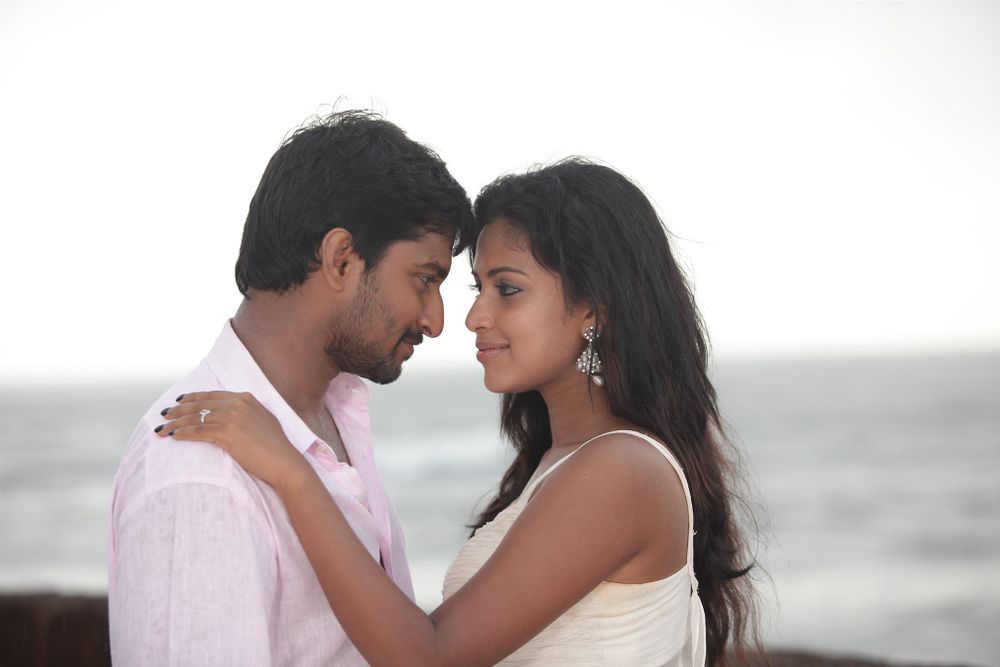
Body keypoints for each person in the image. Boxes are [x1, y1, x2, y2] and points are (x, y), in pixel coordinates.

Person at [158, 159, 759, 665]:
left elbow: (429, 657)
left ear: (592, 309)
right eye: (478, 288)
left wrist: (292, 472)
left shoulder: (620, 470)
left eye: (508, 289)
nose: (472, 318)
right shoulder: (569, 460)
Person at [108, 110, 474, 666]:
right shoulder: (200, 473)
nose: (436, 320)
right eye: (424, 279)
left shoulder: (330, 415)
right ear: (341, 260)